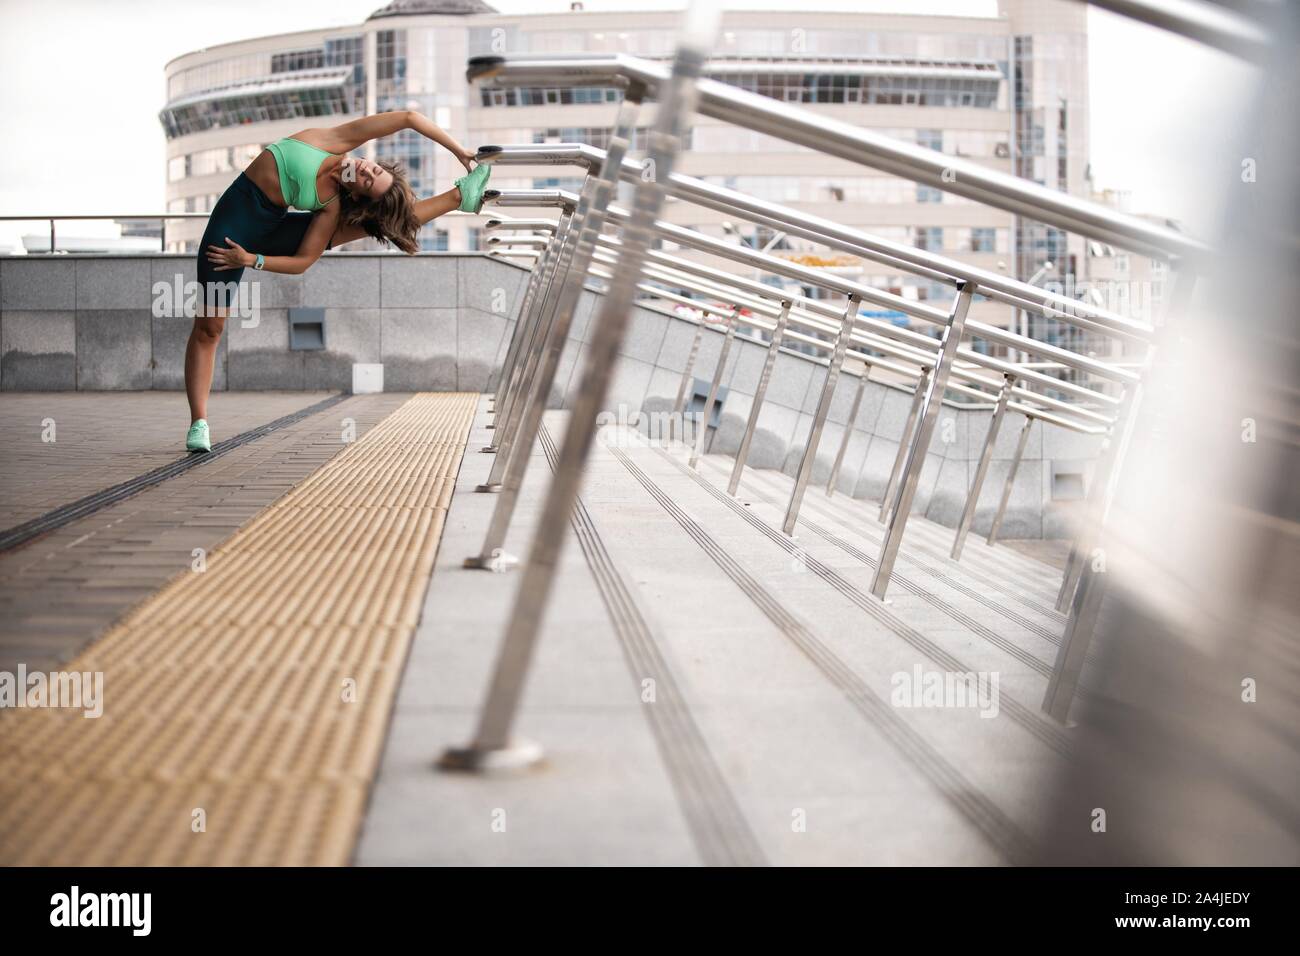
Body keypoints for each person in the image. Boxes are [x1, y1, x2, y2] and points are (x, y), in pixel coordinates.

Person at [184, 110, 492, 452]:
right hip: (232, 225)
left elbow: (303, 261)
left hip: (268, 235)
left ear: (359, 195)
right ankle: (199, 421)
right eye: (373, 169)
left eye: (368, 181)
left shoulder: (330, 206)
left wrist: (251, 260)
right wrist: (458, 150)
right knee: (210, 327)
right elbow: (407, 117)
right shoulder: (333, 142)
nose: (364, 171)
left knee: (375, 222)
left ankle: (458, 197)